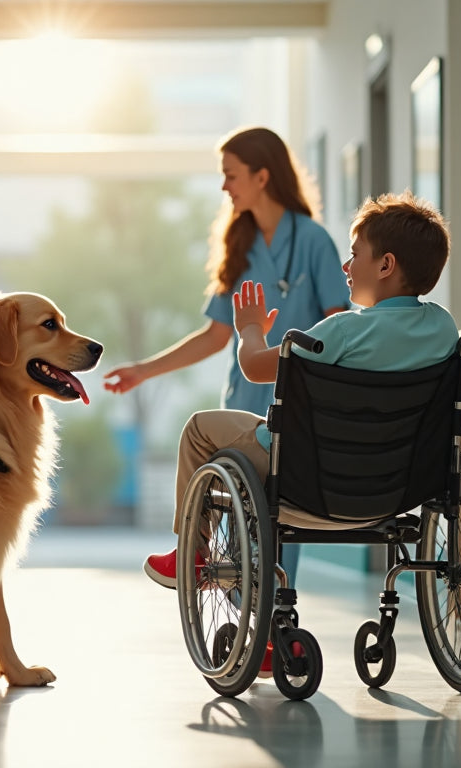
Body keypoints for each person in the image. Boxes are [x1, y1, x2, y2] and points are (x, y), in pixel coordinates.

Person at [168, 191, 458, 675]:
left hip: (311, 480)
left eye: (355, 254)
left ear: (385, 265)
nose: (346, 267)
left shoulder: (339, 331)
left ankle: (192, 553)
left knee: (199, 429)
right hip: (398, 486)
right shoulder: (444, 331)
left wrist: (252, 331)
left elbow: (257, 368)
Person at [103, 127, 349, 587]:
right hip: (244, 398)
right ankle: (241, 623)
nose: (223, 187)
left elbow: (339, 326)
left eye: (230, 175)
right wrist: (144, 370)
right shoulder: (238, 245)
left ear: (262, 176)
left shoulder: (314, 241)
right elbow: (215, 336)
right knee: (239, 527)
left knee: (279, 531)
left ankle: (273, 622)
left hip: (298, 405)